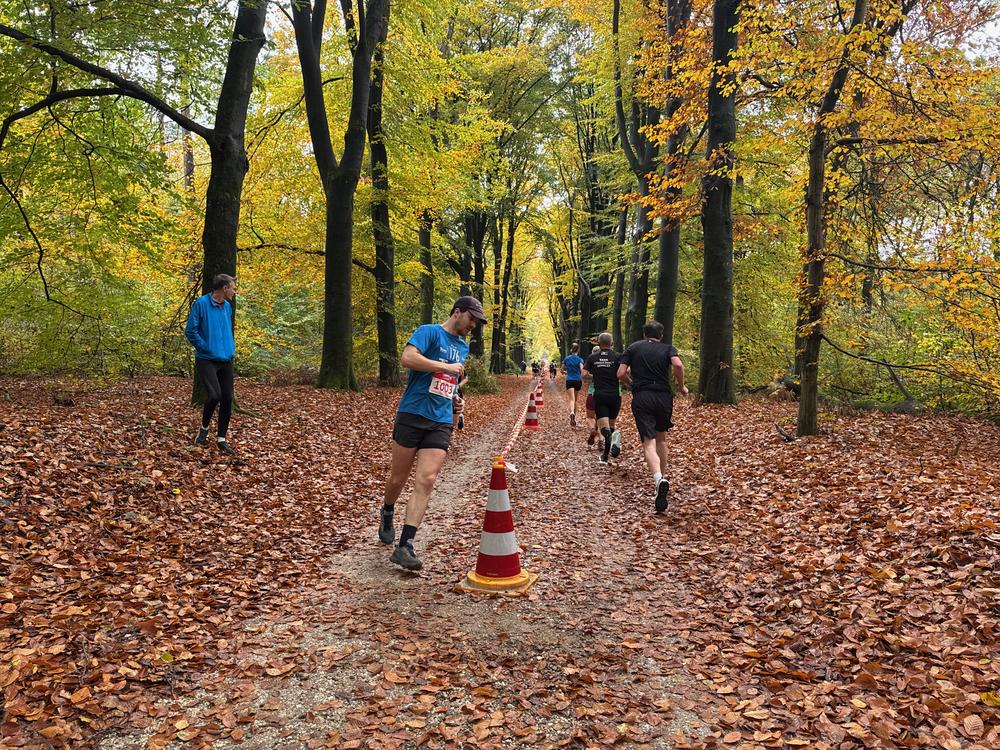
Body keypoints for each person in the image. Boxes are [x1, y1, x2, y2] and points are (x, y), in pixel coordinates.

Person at [379, 296, 485, 571]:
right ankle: (388, 510)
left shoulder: (462, 347)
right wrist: (444, 366)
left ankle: (405, 545)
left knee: (426, 479)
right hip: (413, 413)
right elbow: (408, 358)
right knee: (398, 478)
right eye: (471, 318)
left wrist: (457, 404)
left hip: (440, 420)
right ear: (457, 312)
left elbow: (449, 383)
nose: (473, 325)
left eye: (477, 321)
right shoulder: (429, 332)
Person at [617, 320, 688, 513]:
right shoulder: (668, 348)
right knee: (661, 439)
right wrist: (681, 386)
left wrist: (632, 383)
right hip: (664, 396)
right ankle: (661, 480)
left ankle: (658, 479)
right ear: (661, 335)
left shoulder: (633, 348)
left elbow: (621, 373)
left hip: (642, 396)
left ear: (643, 334)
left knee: (648, 442)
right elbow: (678, 366)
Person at [185, 273, 237, 455]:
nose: (234, 291)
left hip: (226, 359)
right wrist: (204, 347)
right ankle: (204, 429)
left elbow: (226, 330)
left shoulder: (227, 307)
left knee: (227, 398)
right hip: (207, 359)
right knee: (214, 395)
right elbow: (191, 330)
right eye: (232, 287)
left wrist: (230, 348)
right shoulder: (201, 304)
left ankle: (221, 439)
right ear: (224, 288)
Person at [585, 332, 622, 464]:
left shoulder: (592, 357)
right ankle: (606, 455)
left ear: (598, 343)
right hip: (615, 395)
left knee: (604, 427)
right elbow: (625, 372)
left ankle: (608, 451)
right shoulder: (618, 356)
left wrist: (595, 373)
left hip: (600, 395)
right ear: (611, 343)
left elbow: (584, 374)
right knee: (611, 426)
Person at [562, 343, 585, 426]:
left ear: (571, 350)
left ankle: (571, 412)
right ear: (578, 350)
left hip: (569, 380)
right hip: (578, 380)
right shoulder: (580, 359)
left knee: (571, 399)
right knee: (575, 400)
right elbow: (582, 370)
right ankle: (574, 417)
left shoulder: (567, 359)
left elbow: (562, 370)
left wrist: (566, 372)